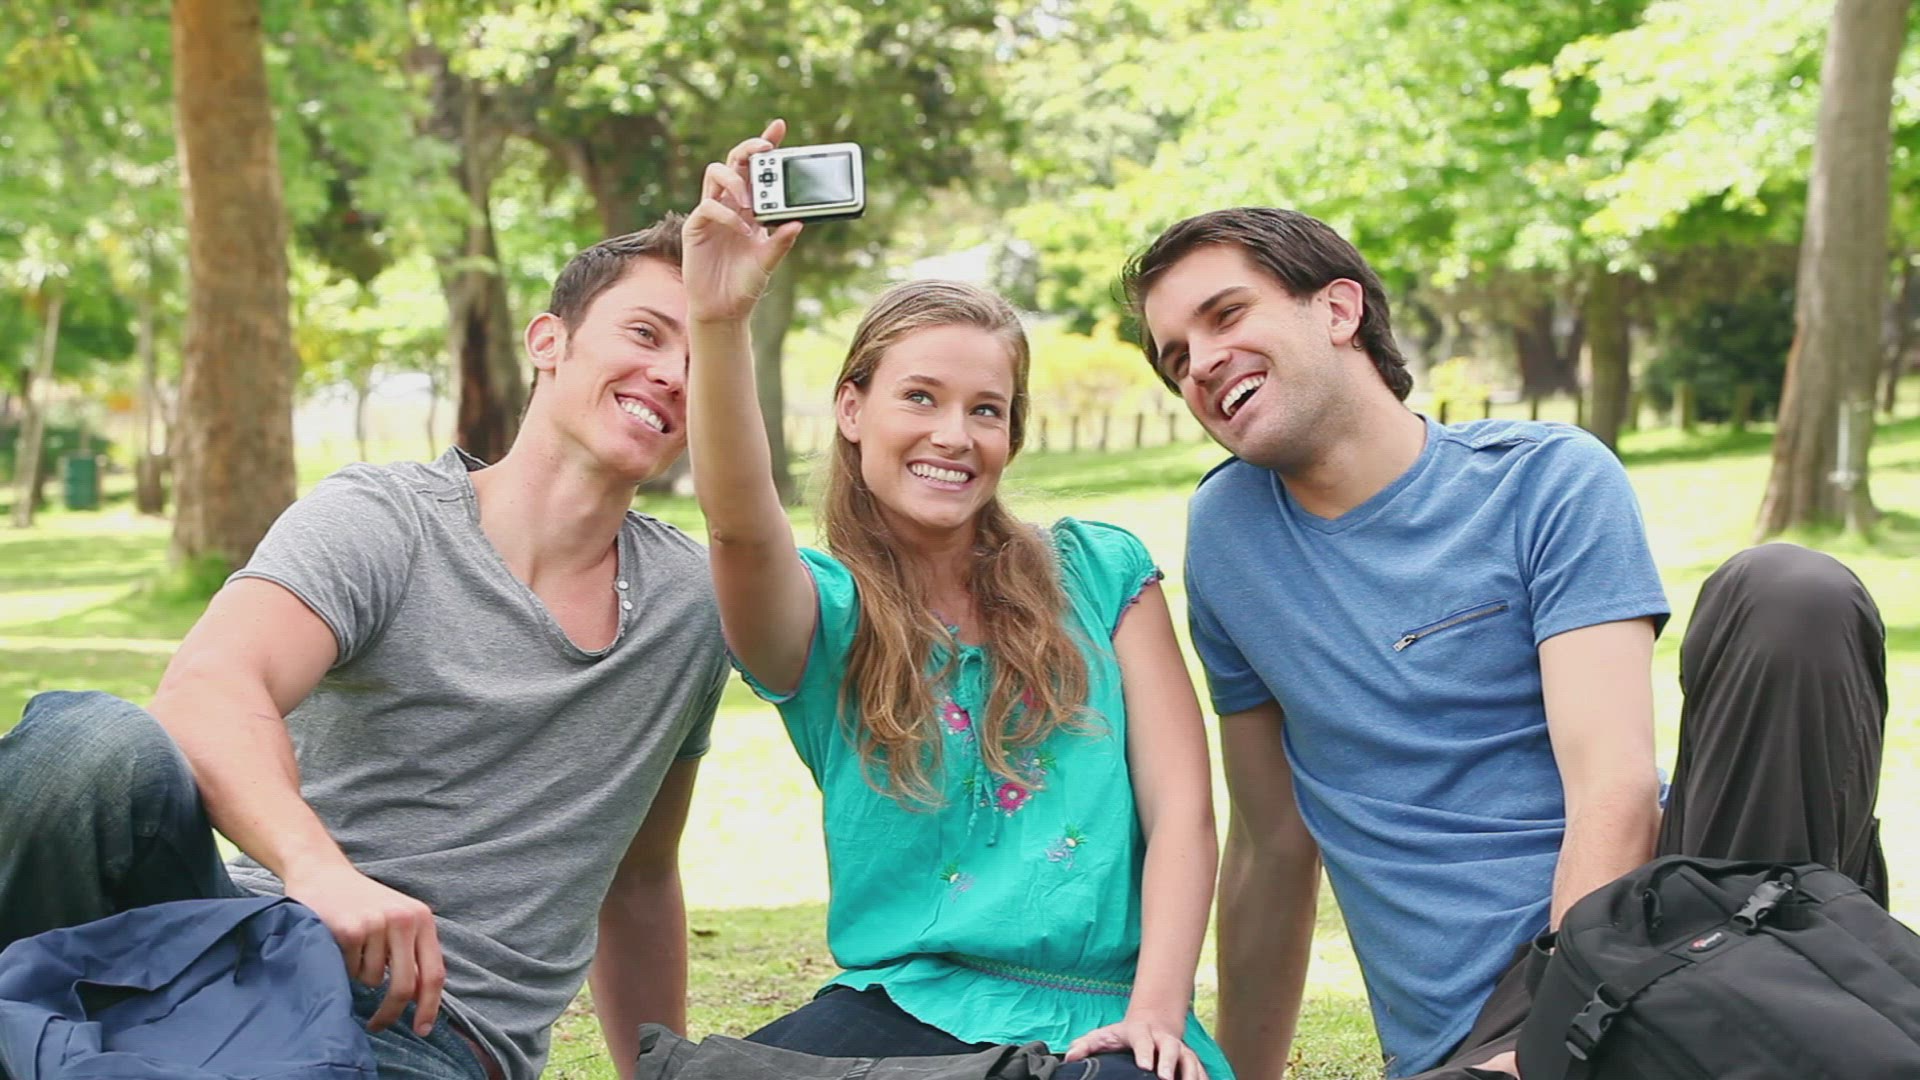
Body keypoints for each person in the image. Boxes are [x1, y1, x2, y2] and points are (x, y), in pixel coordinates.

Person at [1120, 207, 1889, 1079]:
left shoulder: (1544, 478)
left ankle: (1797, 985)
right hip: (1476, 1026)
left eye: (1226, 315)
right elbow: (1270, 843)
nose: (1202, 363)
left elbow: (1612, 785)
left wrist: (1560, 1036)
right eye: (1176, 358)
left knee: (1790, 593)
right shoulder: (1228, 536)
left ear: (1338, 310)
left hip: (1652, 927)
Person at [0, 217, 732, 1080]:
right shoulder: (385, 520)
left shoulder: (692, 604)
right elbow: (209, 686)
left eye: (704, 358)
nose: (672, 373)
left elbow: (639, 878)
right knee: (83, 745)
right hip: (248, 942)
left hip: (424, 1028)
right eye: (645, 333)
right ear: (549, 341)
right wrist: (319, 870)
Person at [679, 122, 1229, 1080]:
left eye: (986, 410)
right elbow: (737, 527)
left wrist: (1155, 1014)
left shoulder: (1101, 574)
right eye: (920, 398)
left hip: (1100, 1018)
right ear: (852, 411)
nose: (955, 435)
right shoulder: (822, 616)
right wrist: (718, 324)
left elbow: (1182, 809)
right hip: (900, 1007)